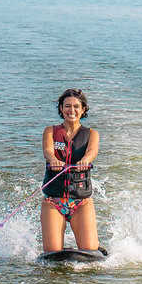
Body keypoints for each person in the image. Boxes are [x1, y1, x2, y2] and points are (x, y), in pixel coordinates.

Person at [41, 89, 104, 254]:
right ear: (61, 109)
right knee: (52, 254)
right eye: (67, 106)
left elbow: (92, 152)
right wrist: (53, 160)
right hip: (54, 201)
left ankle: (93, 245)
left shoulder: (92, 134)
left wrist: (85, 160)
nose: (72, 110)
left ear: (83, 109)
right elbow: (48, 151)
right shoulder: (50, 131)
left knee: (89, 251)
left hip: (81, 201)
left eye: (76, 106)